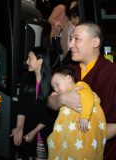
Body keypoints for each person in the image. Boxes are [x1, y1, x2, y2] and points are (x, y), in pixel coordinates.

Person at [47, 21, 116, 160]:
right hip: (68, 150)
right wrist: (61, 99)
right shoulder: (69, 70)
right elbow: (50, 102)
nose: (71, 44)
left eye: (77, 39)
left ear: (95, 42)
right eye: (71, 39)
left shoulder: (112, 72)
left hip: (102, 151)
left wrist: (90, 135)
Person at [47, 66, 106, 160]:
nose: (56, 89)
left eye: (57, 84)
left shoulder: (80, 86)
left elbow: (88, 98)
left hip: (81, 134)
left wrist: (84, 117)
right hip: (67, 137)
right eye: (53, 88)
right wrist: (56, 96)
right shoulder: (63, 95)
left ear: (69, 78)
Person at [11, 47, 56, 160]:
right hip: (27, 128)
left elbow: (51, 113)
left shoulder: (53, 81)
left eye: (30, 58)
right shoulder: (26, 77)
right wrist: (19, 127)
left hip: (44, 131)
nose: (26, 62)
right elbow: (22, 105)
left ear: (40, 61)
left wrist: (34, 132)